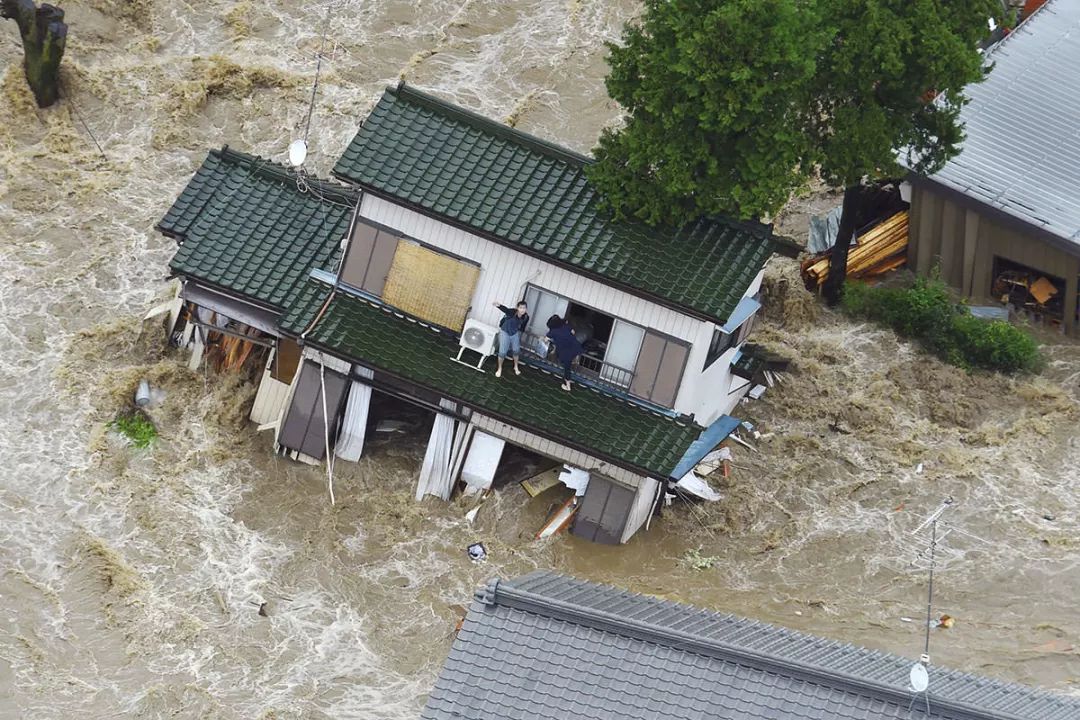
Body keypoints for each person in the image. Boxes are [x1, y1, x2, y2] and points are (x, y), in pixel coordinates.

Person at [545, 316, 584, 392]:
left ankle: (568, 386)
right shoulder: (566, 326)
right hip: (574, 346)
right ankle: (576, 359)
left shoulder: (553, 331)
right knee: (573, 356)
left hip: (565, 350)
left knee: (567, 368)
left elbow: (546, 339)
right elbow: (573, 332)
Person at [493, 300, 529, 377]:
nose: (522, 310)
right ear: (517, 308)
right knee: (502, 352)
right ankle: (499, 369)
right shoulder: (512, 312)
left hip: (514, 333)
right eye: (521, 308)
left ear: (526, 309)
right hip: (505, 332)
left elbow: (522, 328)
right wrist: (499, 305)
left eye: (524, 308)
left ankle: (516, 366)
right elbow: (506, 310)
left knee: (516, 351)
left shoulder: (526, 317)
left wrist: (517, 333)